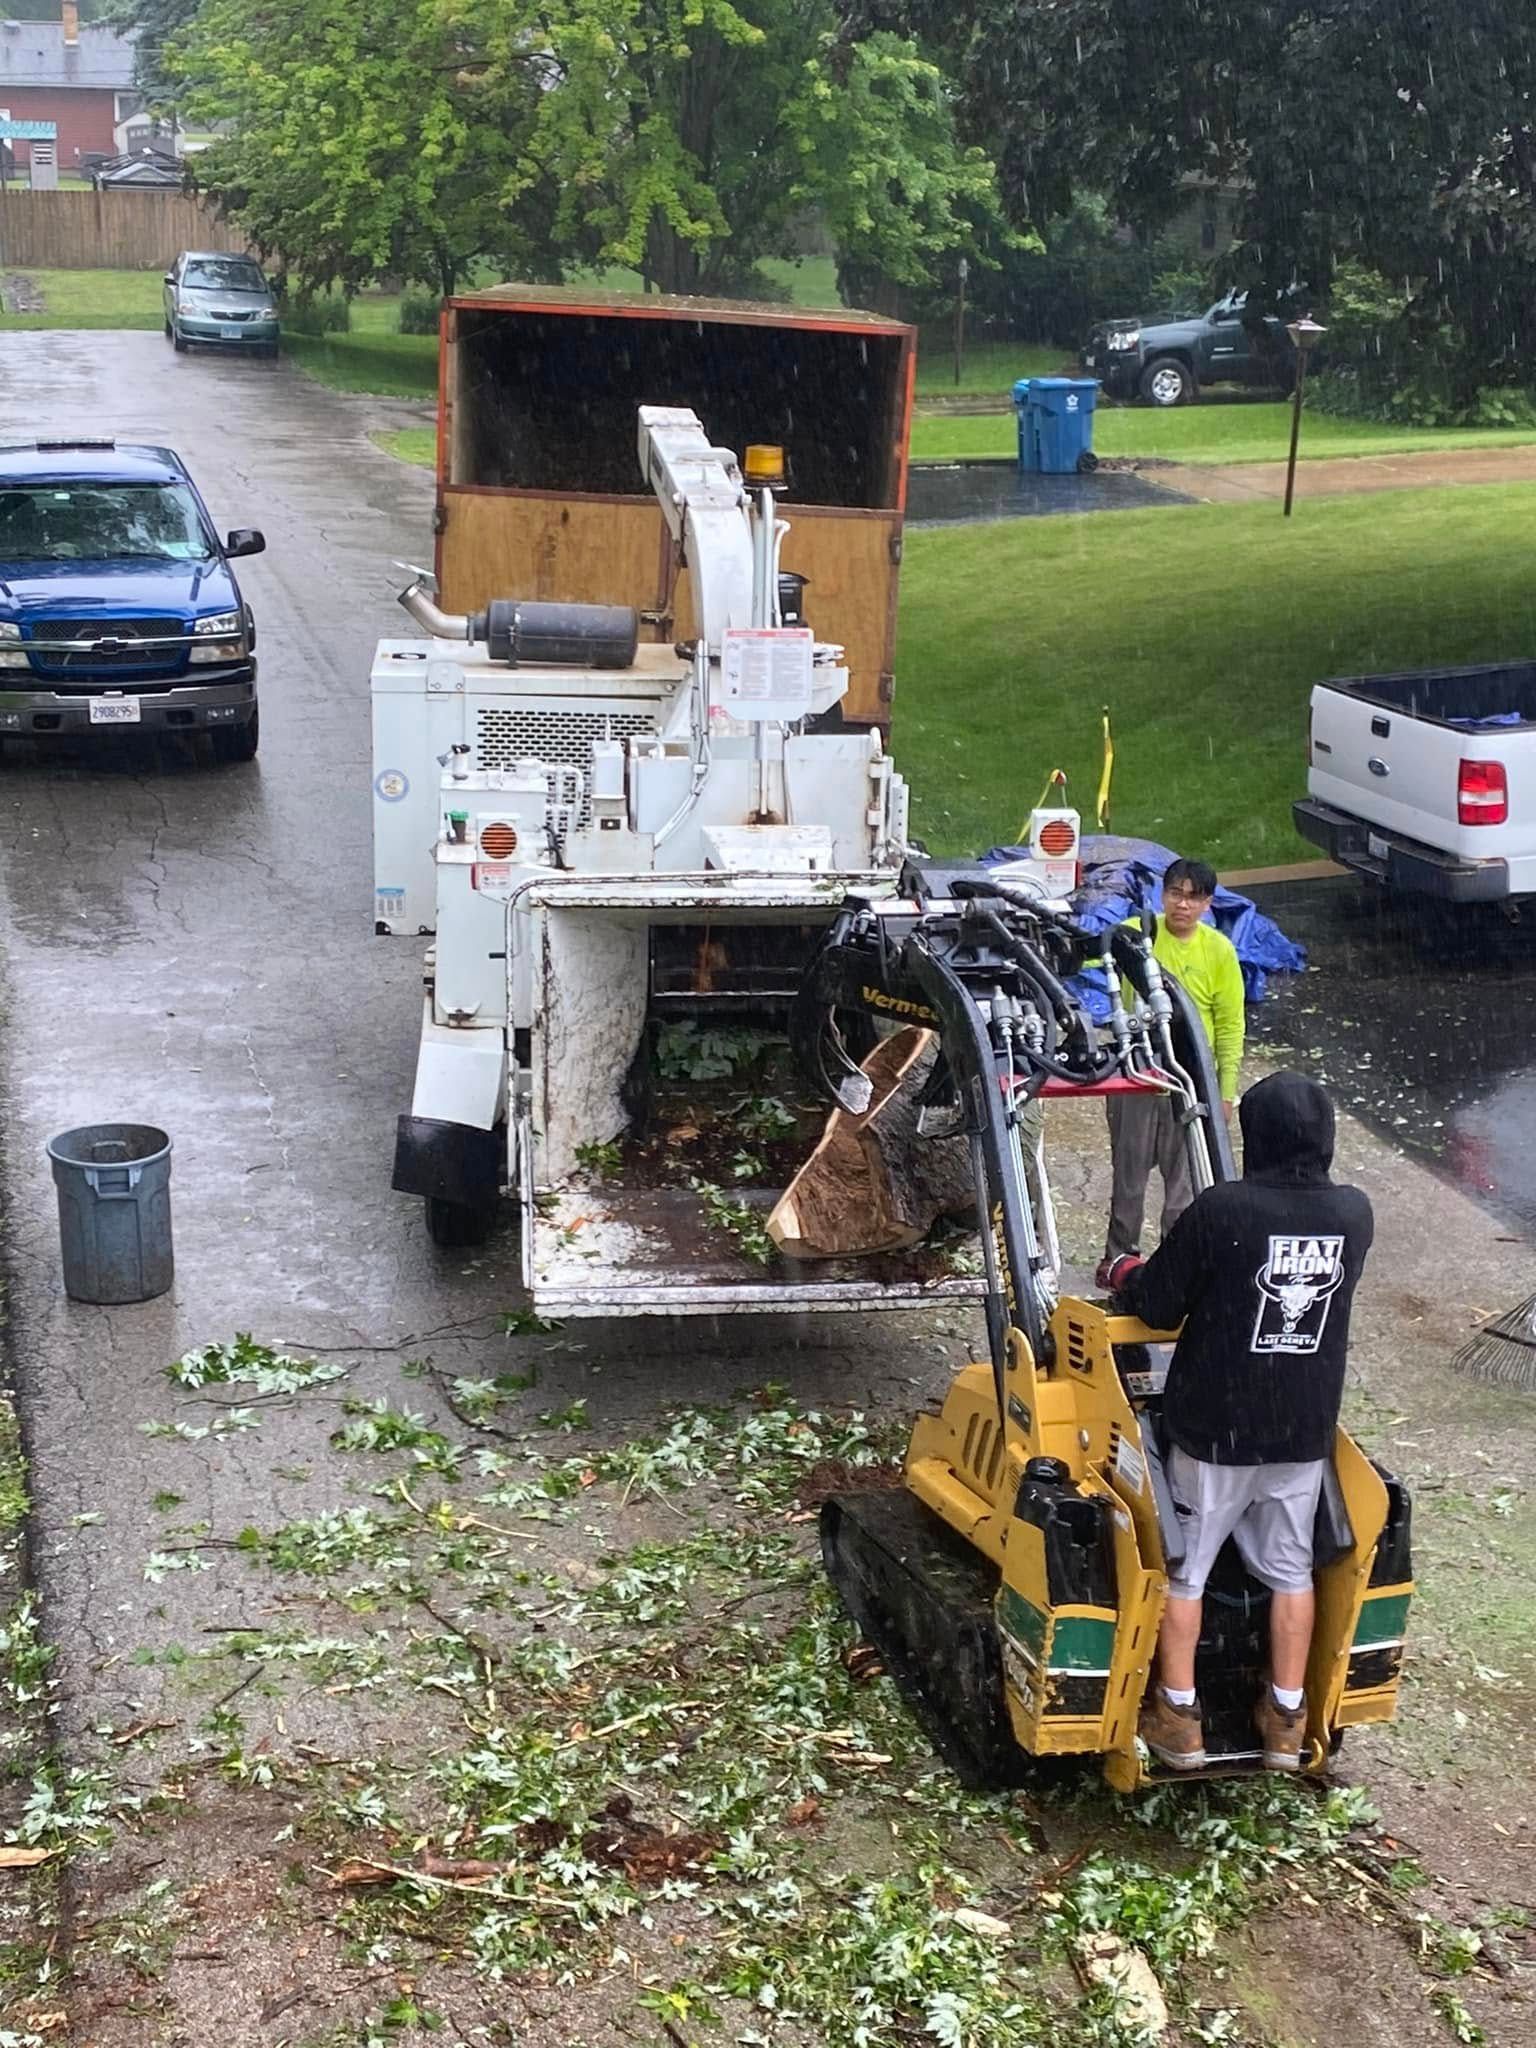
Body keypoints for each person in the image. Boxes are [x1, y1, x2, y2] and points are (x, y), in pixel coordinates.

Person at [1106, 1071, 1374, 1772]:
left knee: (1186, 1571)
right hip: (1301, 1433)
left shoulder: (1223, 1211)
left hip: (1214, 1430)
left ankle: (1179, 1717)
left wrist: (1128, 1272)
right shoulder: (1355, 1215)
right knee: (1290, 1572)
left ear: (1254, 1137)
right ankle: (1287, 1719)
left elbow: (1160, 1306)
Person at [1095, 856, 1245, 1291]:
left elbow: (1232, 1025)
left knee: (1183, 1185)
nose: (1182, 904)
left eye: (1193, 896)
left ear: (1208, 903)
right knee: (1129, 1173)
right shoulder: (1135, 936)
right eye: (1175, 893)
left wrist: (1226, 1090)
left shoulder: (1218, 950)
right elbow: (1092, 960)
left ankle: (1174, 1267)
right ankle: (1118, 1259)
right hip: (1138, 1073)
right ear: (1161, 895)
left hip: (1190, 1078)